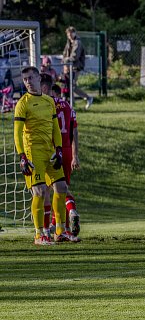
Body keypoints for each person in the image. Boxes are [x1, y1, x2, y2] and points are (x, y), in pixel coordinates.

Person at [13, 67, 79, 245]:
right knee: (40, 191)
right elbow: (17, 133)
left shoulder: (49, 101)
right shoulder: (22, 103)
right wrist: (22, 156)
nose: (27, 82)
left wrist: (58, 149)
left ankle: (60, 231)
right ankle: (39, 234)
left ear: (38, 78)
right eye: (24, 79)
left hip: (50, 151)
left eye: (30, 78)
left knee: (61, 187)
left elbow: (56, 128)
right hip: (32, 152)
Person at [40, 74, 81, 237]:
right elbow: (74, 130)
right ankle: (63, 224)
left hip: (51, 149)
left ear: (45, 88)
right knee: (62, 189)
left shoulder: (45, 105)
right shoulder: (68, 106)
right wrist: (75, 155)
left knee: (48, 190)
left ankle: (53, 226)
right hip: (67, 149)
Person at [62, 26, 93, 109]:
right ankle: (71, 105)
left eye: (71, 34)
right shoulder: (69, 42)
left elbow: (74, 57)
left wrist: (65, 61)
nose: (70, 36)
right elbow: (64, 54)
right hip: (69, 67)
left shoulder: (77, 43)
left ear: (74, 33)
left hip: (76, 67)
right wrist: (65, 65)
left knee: (72, 86)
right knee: (69, 86)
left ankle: (88, 98)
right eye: (68, 35)